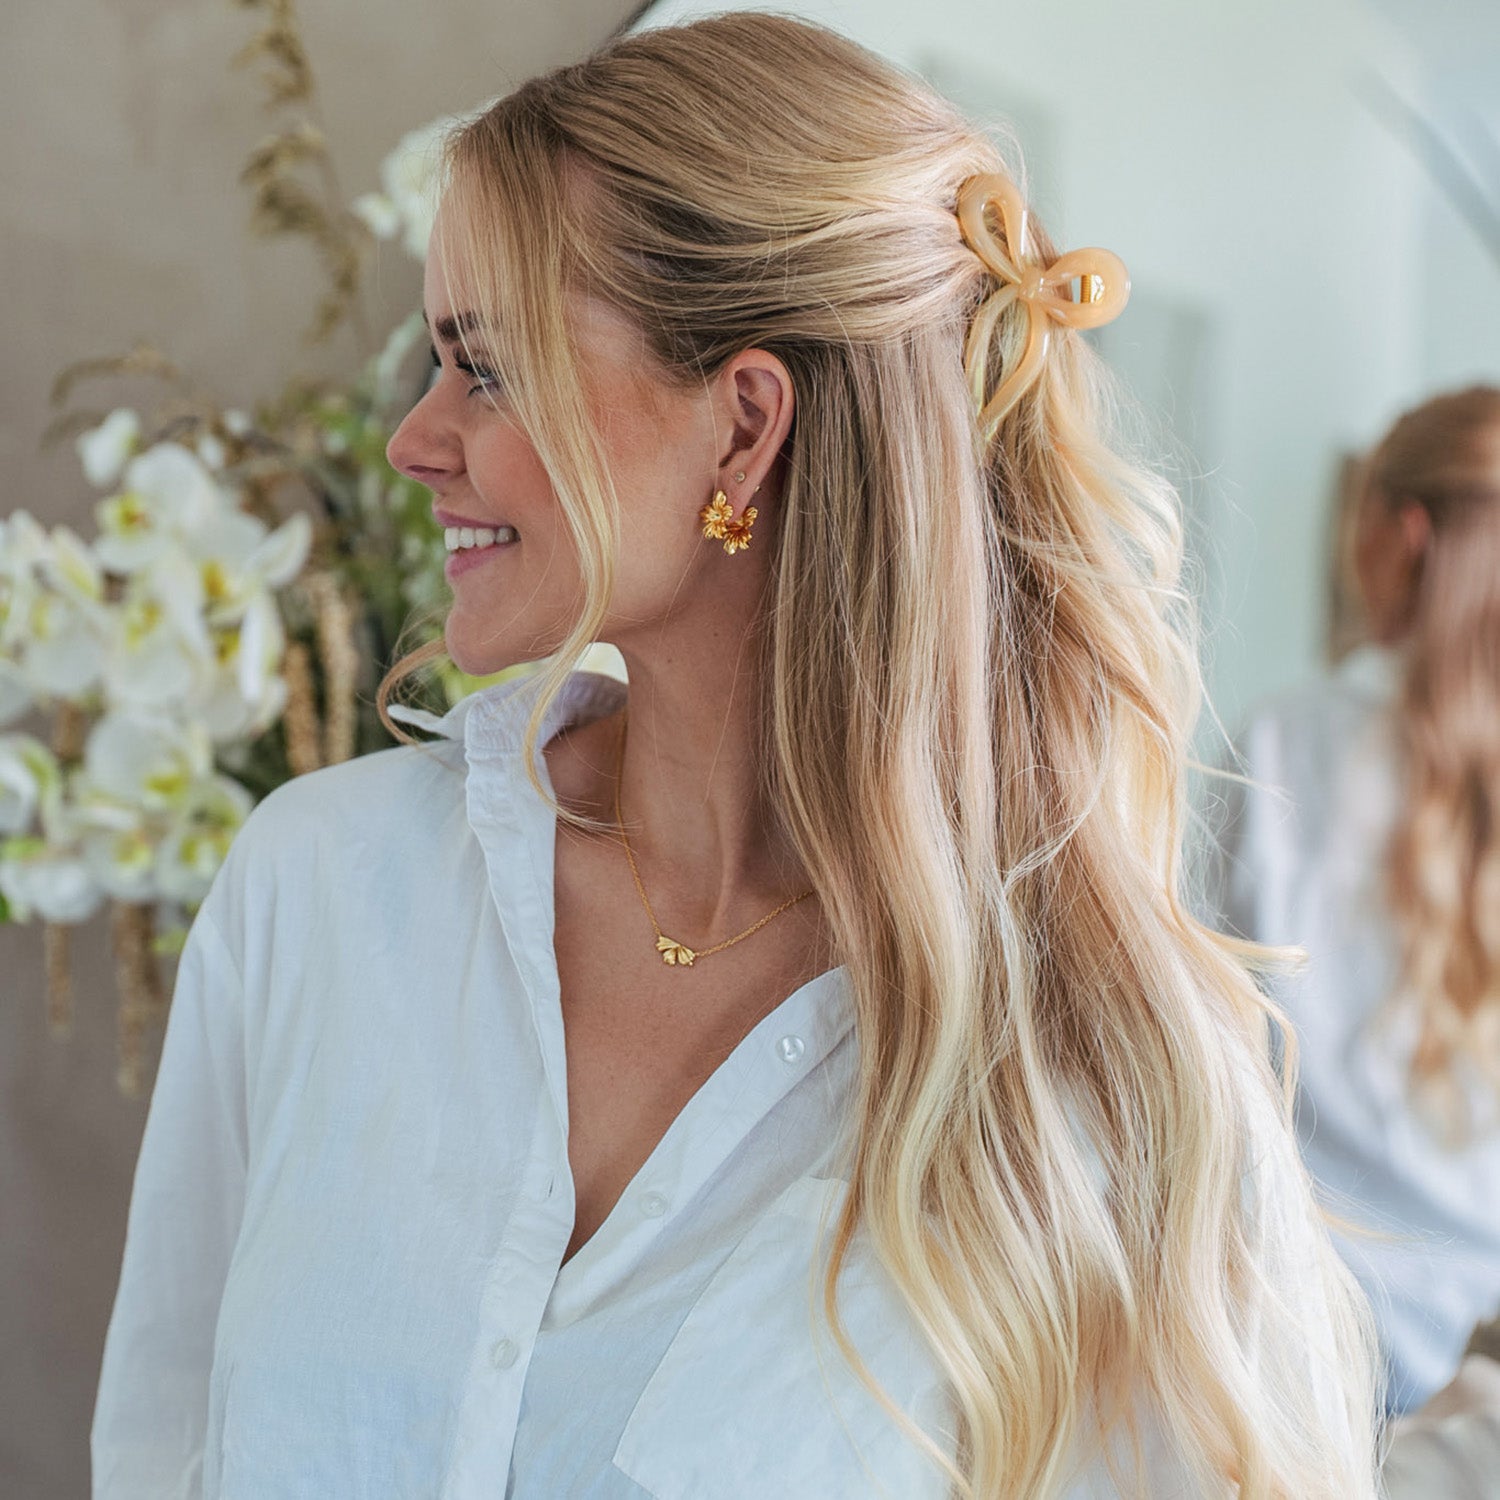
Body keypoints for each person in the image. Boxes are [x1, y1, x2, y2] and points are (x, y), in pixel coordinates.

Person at [92, 13, 1379, 1497]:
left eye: (485, 368)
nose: (417, 441)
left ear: (743, 427)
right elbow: (160, 1452)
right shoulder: (319, 891)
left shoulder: (1103, 1097)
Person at [1204, 385, 1500, 1419]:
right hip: (1481, 1375)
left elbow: (1192, 1037)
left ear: (1402, 536)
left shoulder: (1280, 745)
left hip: (1294, 1341)